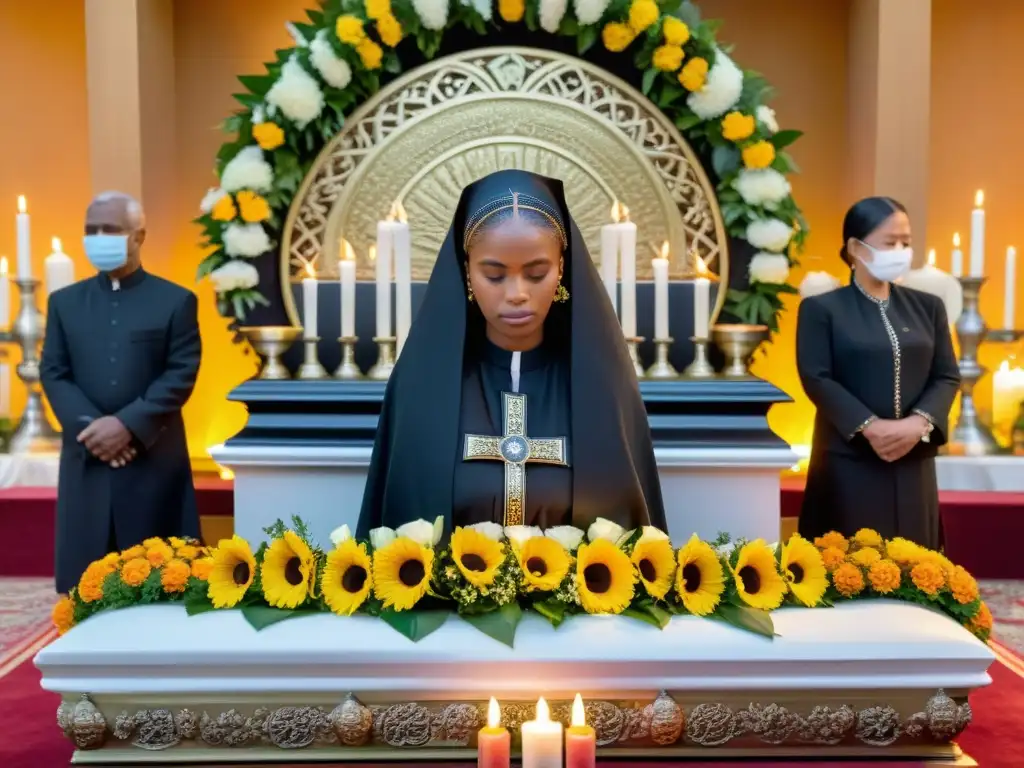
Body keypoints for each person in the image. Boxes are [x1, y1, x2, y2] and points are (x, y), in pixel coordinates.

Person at [357, 169, 666, 536]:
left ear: (562, 268)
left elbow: (629, 539)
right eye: (494, 274)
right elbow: (400, 528)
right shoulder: (421, 390)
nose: (517, 293)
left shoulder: (602, 390)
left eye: (536, 273)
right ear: (467, 272)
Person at [41, 191, 202, 594]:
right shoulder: (64, 303)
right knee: (85, 590)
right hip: (86, 455)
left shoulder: (176, 301)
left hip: (152, 457)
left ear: (139, 236)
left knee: (161, 583)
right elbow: (54, 372)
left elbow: (180, 372)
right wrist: (94, 429)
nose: (98, 238)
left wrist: (128, 426)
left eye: (110, 229)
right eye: (90, 230)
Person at [796, 196, 960, 549]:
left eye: (906, 242)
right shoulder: (822, 309)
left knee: (917, 573)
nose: (900, 250)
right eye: (890, 242)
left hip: (914, 458)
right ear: (856, 247)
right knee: (850, 570)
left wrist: (919, 424)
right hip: (849, 461)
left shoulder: (927, 307)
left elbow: (947, 374)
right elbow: (816, 376)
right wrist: (871, 427)